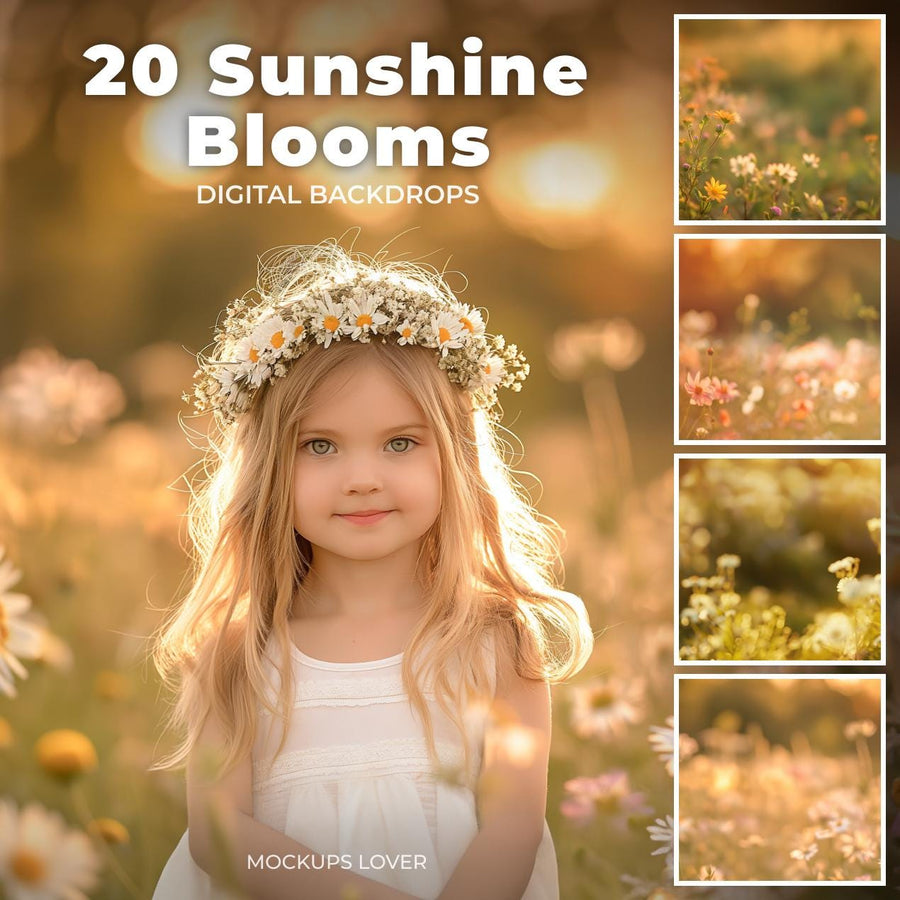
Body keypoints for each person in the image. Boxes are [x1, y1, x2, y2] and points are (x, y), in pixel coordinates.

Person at [152, 240, 593, 899]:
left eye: (400, 443)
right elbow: (219, 831)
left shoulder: (494, 640)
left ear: (454, 454)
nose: (362, 479)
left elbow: (512, 829)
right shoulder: (240, 648)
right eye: (320, 445)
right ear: (271, 463)